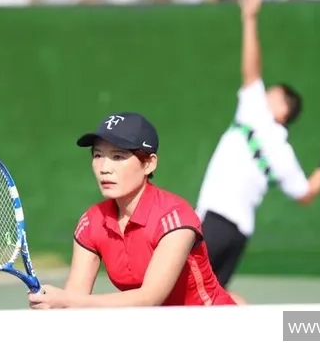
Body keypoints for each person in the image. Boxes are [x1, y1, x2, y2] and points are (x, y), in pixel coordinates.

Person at [195, 0, 320, 289]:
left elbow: (251, 71)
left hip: (216, 221)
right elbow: (306, 194)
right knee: (210, 301)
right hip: (238, 235)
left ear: (282, 110)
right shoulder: (284, 155)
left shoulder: (256, 115)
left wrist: (249, 18)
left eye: (270, 94)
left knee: (176, 294)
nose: (262, 94)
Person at [28, 112, 240, 309]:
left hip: (214, 325)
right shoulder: (91, 223)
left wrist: (66, 300)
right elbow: (74, 300)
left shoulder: (175, 218)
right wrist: (55, 304)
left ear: (149, 164)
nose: (104, 168)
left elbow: (149, 298)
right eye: (98, 155)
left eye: (118, 157)